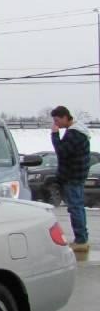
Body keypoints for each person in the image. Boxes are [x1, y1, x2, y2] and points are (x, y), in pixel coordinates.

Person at [50, 105, 91, 252]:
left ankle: (81, 240)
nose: (56, 124)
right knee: (77, 207)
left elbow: (62, 151)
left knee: (75, 208)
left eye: (57, 120)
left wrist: (54, 135)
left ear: (65, 117)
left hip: (72, 176)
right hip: (77, 175)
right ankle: (82, 238)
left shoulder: (74, 134)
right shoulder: (78, 132)